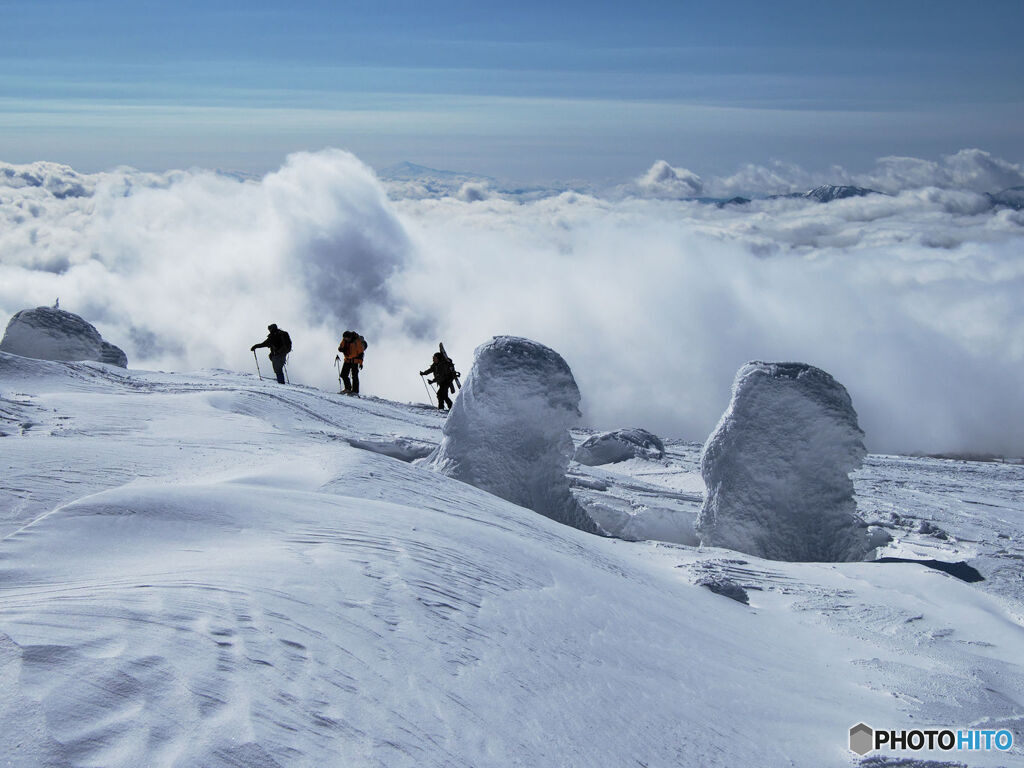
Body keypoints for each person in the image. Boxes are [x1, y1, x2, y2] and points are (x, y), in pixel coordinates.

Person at [336, 330, 366, 395]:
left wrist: (360, 363)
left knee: (354, 376)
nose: (345, 339)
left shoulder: (357, 341)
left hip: (355, 361)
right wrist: (341, 349)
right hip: (347, 360)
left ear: (350, 337)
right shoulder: (345, 340)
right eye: (344, 338)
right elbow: (340, 347)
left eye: (347, 338)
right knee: (343, 374)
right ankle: (348, 389)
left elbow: (361, 353)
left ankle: (355, 391)